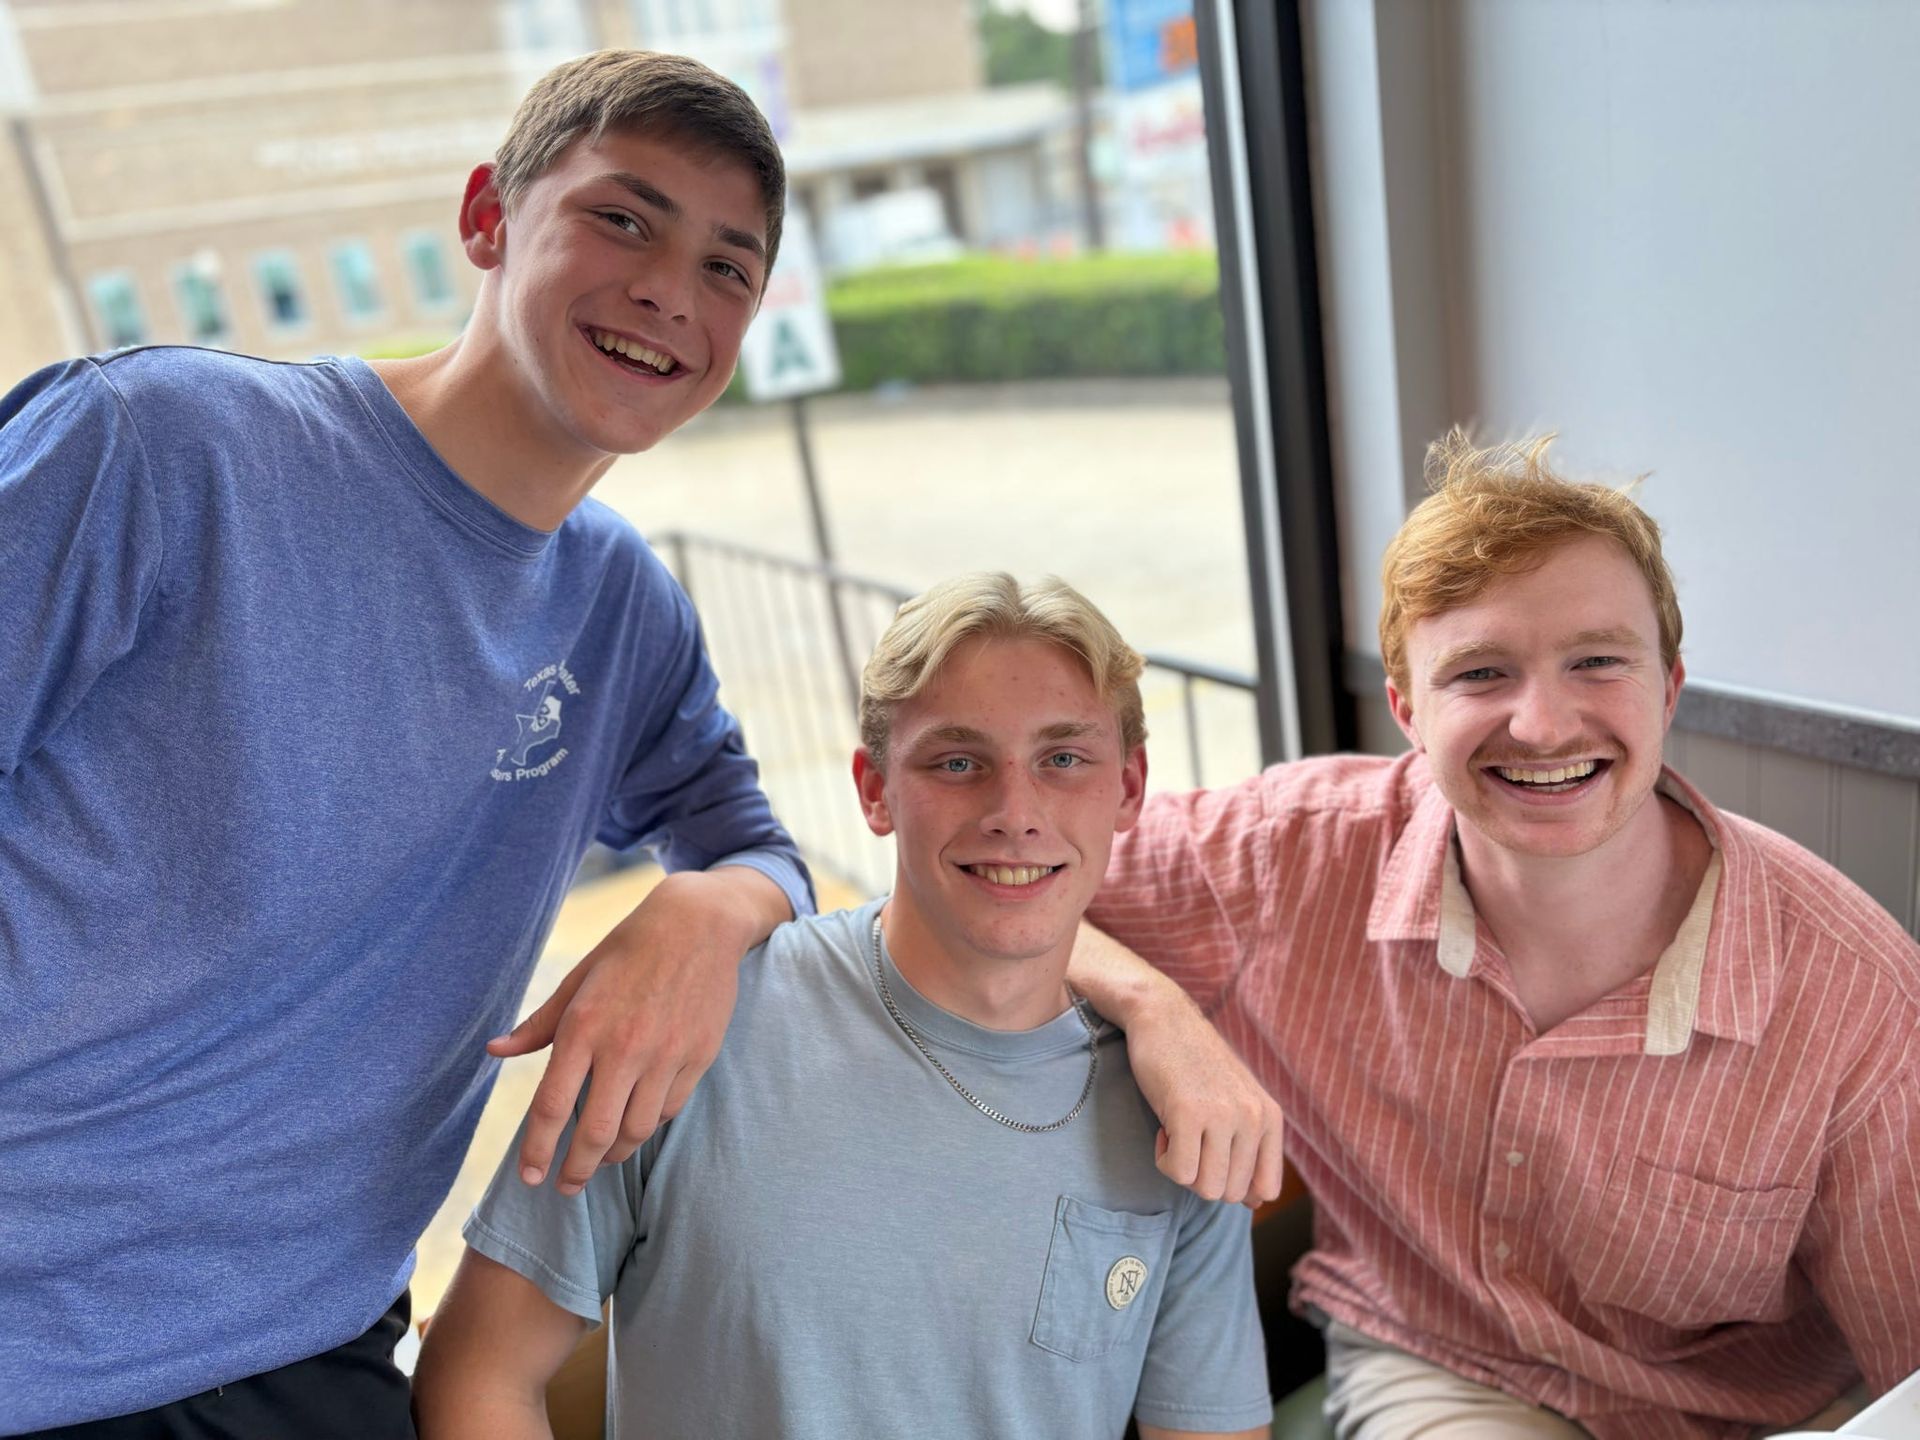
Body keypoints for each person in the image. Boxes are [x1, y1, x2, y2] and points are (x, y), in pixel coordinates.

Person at [1, 50, 815, 1437]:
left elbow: (754, 840)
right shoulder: (163, 444)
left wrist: (714, 908)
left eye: (728, 267)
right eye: (623, 219)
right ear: (489, 216)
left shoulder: (619, 610)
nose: (671, 291)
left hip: (303, 1347)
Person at [1072, 432, 1920, 1440]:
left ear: (1669, 687)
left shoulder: (1853, 989)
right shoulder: (1280, 858)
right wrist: (1151, 1002)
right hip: (1446, 1366)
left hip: (1751, 1413)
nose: (1545, 724)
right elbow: (1006, 887)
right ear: (1407, 712)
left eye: (1597, 661)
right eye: (1480, 674)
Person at [411, 574, 1275, 1440]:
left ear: (1128, 789)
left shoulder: (1184, 1119)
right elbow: (477, 1373)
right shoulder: (689, 1023)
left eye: (1062, 759)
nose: (1016, 813)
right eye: (957, 762)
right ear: (873, 790)